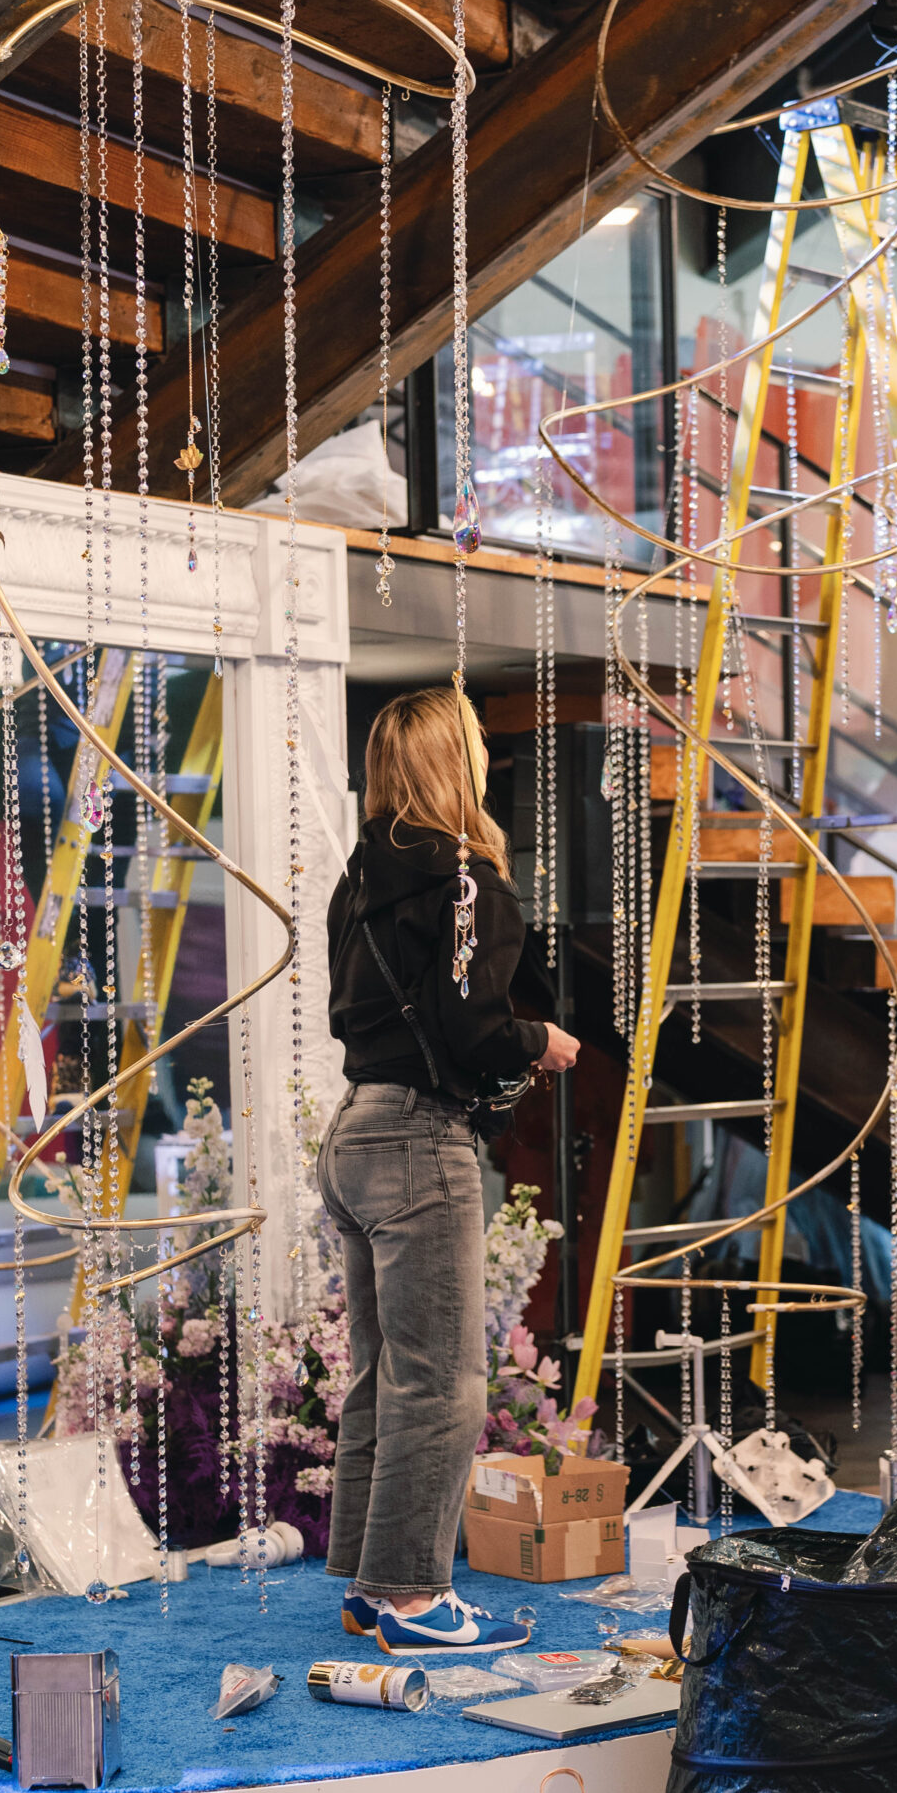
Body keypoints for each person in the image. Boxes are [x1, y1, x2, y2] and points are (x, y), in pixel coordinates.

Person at [318, 686, 579, 1652]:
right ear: (454, 763)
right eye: (474, 745)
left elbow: (354, 1017)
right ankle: (409, 1596)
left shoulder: (359, 881)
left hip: (353, 1131)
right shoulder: (468, 878)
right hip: (419, 1139)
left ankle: (367, 1582)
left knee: (385, 1373)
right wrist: (540, 1040)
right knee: (443, 1384)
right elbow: (473, 1029)